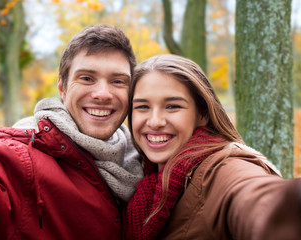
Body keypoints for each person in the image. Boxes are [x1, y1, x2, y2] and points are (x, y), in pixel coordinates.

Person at [0, 24, 143, 239]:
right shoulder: (19, 159)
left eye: (118, 81)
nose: (103, 94)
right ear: (62, 88)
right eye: (86, 78)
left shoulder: (146, 162)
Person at [125, 54, 301, 240]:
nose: (155, 122)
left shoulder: (222, 169)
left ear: (202, 114)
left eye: (172, 106)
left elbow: (255, 198)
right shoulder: (141, 177)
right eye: (142, 107)